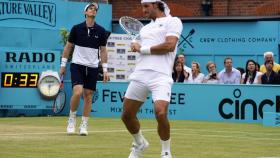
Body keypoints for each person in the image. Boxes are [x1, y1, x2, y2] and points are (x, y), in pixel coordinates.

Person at [121, 0, 183, 158]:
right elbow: (142, 48)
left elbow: (169, 46)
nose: (143, 10)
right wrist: (136, 45)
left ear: (156, 5)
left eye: (146, 6)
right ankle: (140, 143)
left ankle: (166, 151)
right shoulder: (145, 29)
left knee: (161, 113)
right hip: (140, 74)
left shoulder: (173, 21)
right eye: (142, 7)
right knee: (126, 115)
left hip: (161, 76)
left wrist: (141, 48)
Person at [60, 2, 109, 136]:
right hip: (77, 65)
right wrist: (63, 65)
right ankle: (71, 120)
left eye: (95, 9)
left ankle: (84, 125)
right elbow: (68, 47)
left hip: (93, 67)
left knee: (88, 96)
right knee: (77, 92)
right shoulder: (76, 28)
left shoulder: (101, 31)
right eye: (90, 8)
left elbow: (103, 51)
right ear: (85, 12)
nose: (93, 10)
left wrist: (105, 70)